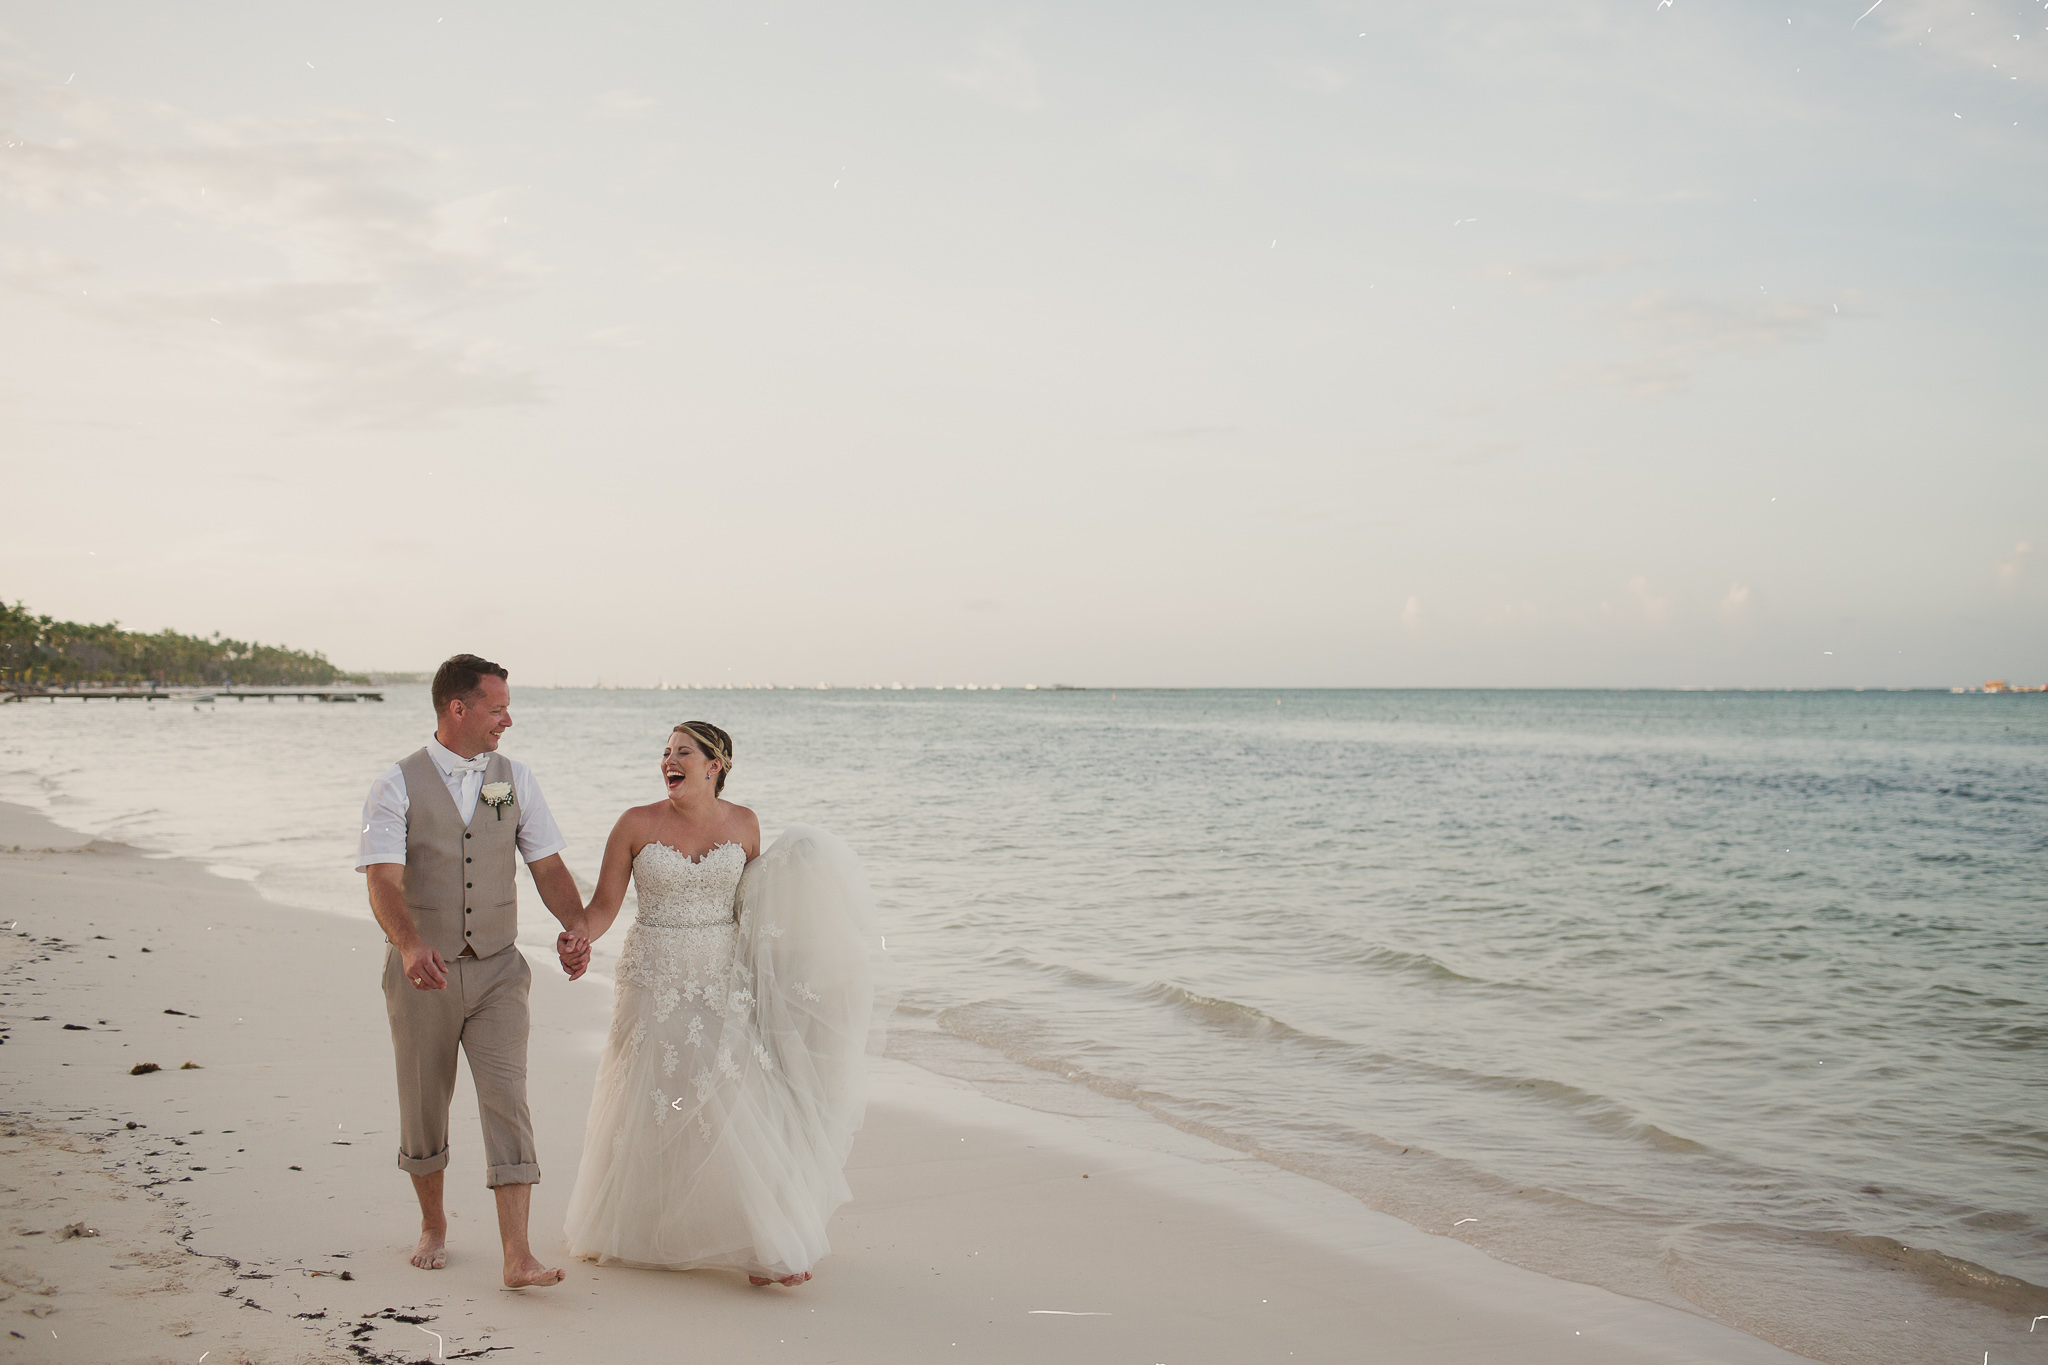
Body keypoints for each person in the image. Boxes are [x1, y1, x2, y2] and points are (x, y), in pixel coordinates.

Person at [556, 721, 883, 1285]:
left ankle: (760, 1243)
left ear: (715, 766)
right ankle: (649, 1229)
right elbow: (604, 906)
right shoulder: (635, 823)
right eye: (664, 753)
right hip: (651, 980)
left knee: (733, 1099)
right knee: (659, 1100)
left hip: (718, 978)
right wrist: (577, 935)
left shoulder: (746, 825)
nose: (668, 761)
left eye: (682, 752)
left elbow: (754, 911)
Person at [355, 654, 587, 1287]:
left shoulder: (517, 779)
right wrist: (407, 945)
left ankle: (518, 1253)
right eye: (497, 707)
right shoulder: (394, 786)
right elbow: (382, 881)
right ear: (457, 709)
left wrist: (578, 926)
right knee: (425, 1101)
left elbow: (547, 866)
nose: (508, 719)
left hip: (498, 970)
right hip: (421, 974)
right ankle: (433, 1223)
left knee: (507, 1098)